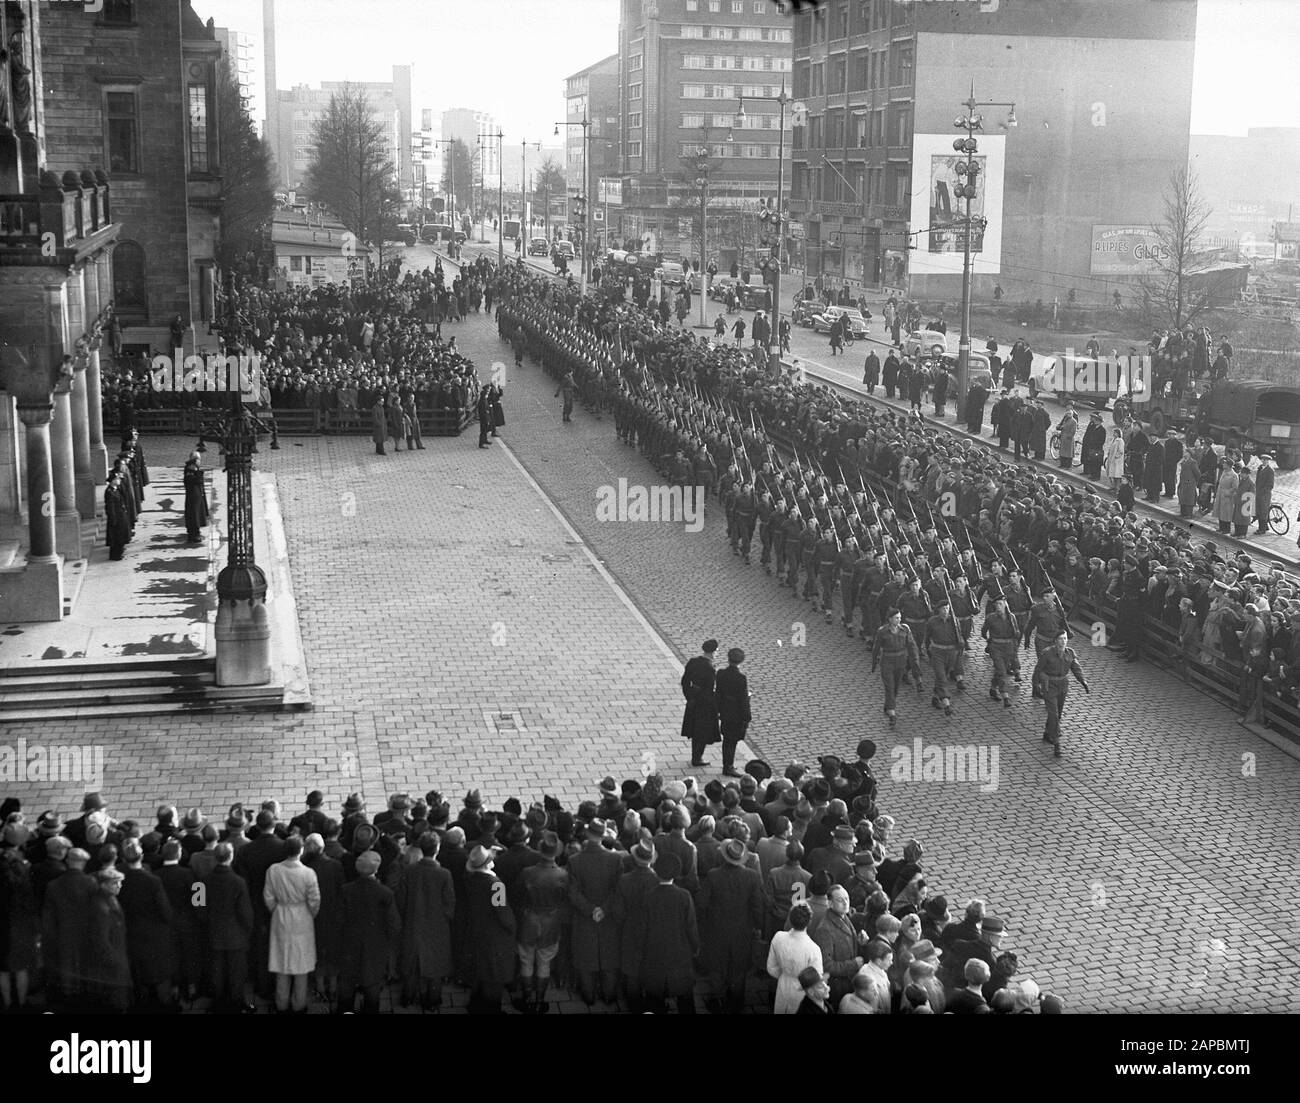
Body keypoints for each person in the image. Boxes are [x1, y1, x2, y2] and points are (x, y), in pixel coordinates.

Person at [698, 838, 764, 1015]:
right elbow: (757, 907)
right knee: (738, 970)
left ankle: (717, 1001)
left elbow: (702, 904)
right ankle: (735, 1005)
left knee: (718, 968)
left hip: (717, 931)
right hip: (742, 932)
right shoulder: (752, 876)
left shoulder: (712, 875)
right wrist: (758, 927)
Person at [395, 833, 455, 1012]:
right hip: (437, 926)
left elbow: (401, 899)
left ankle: (408, 997)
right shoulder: (444, 874)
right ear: (437, 849)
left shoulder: (409, 871)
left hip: (413, 923)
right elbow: (449, 903)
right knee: (435, 965)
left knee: (412, 964)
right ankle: (432, 999)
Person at [338, 849, 400, 1014]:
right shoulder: (385, 893)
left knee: (346, 987)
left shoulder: (346, 890)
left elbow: (339, 919)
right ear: (376, 869)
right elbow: (394, 925)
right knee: (372, 987)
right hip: (375, 947)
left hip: (349, 945)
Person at [263, 835, 321, 1013]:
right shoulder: (308, 873)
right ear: (301, 850)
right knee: (301, 964)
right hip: (302, 918)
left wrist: (278, 910)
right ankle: (299, 1004)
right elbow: (314, 901)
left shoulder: (273, 870)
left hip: (281, 915)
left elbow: (269, 897)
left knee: (281, 962)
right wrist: (310, 914)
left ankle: (281, 1003)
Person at [639, 852, 699, 1014]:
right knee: (685, 1000)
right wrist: (695, 947)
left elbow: (643, 929)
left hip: (654, 955)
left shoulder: (648, 897)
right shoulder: (684, 896)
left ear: (657, 872)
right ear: (676, 873)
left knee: (654, 999)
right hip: (680, 955)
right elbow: (691, 926)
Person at [1033, 630, 1090, 757]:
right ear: (1055, 641)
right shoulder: (1047, 654)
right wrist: (1035, 685)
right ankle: (1057, 743)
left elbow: (1076, 668)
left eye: (1064, 638)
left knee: (1057, 714)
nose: (1063, 641)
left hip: (1062, 685)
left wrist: (1083, 681)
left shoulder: (1070, 653)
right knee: (1053, 714)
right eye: (1060, 638)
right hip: (1049, 686)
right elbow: (1038, 669)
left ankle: (1048, 732)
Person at [767, 901, 823, 1014]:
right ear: (809, 922)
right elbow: (816, 981)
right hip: (802, 994)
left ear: (790, 919)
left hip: (783, 986)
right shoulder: (813, 948)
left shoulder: (778, 938)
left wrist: (786, 974)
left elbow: (771, 968)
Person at [681, 639, 721, 767]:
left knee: (694, 730)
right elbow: (710, 689)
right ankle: (697, 757)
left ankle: (695, 756)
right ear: (712, 652)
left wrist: (689, 697)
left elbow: (685, 682)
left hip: (693, 701)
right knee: (703, 731)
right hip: (705, 704)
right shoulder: (710, 668)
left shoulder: (693, 662)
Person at [715, 647, 751, 778]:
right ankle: (728, 766)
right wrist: (747, 716)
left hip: (725, 711)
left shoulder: (721, 673)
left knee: (727, 740)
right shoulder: (741, 678)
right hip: (736, 714)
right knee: (732, 741)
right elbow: (743, 699)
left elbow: (718, 692)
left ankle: (727, 764)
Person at [1255, 453, 1276, 535]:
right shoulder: (1260, 468)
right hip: (1258, 493)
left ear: (1268, 461)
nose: (1264, 461)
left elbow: (1270, 485)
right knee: (1259, 511)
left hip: (1265, 495)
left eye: (1266, 460)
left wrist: (1263, 492)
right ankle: (1265, 527)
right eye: (1263, 460)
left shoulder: (1270, 471)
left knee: (1263, 512)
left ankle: (1262, 529)